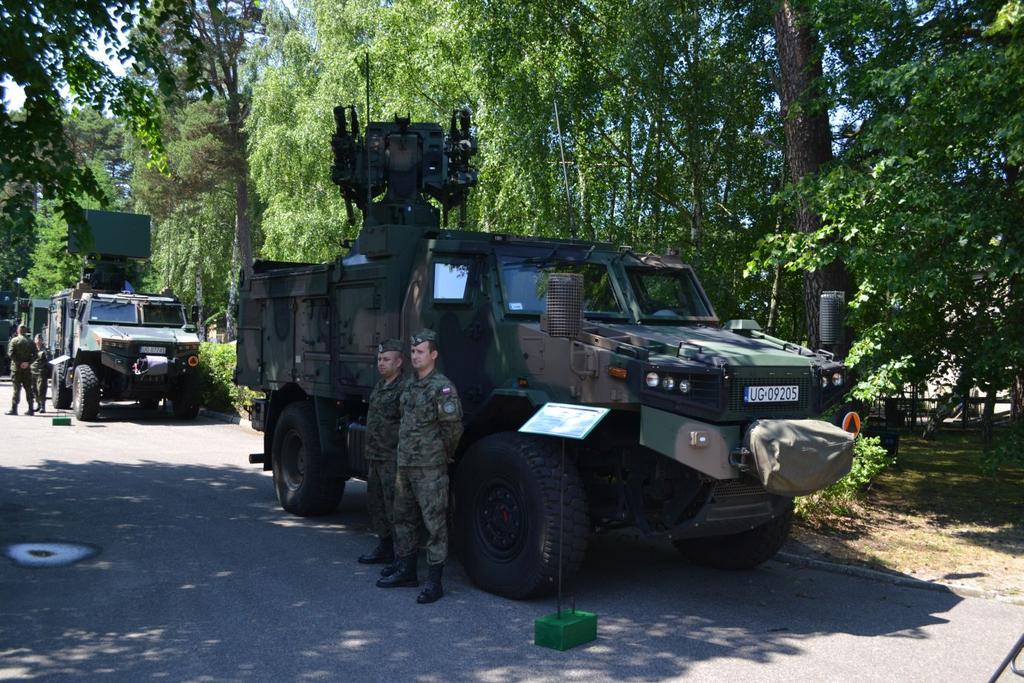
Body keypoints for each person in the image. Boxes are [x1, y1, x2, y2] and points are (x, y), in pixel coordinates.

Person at [376, 329, 463, 604]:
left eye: (420, 351)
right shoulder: (410, 386)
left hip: (430, 467)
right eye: (412, 352)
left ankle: (434, 582)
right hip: (405, 465)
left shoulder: (443, 387)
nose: (415, 356)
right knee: (403, 518)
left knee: (434, 523)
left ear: (433, 355)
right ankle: (406, 570)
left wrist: (440, 455)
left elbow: (453, 430)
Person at [358, 339, 405, 565]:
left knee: (395, 507)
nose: (381, 363)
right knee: (376, 503)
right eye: (379, 359)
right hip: (375, 455)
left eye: (386, 359)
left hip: (393, 457)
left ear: (399, 362)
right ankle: (384, 546)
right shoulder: (380, 385)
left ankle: (401, 555)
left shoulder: (404, 388)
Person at [6, 324, 35, 416]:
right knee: (28, 389)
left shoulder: (14, 340)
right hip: (27, 369)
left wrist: (19, 363)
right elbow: (36, 355)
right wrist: (28, 363)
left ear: (18, 330)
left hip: (16, 369)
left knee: (16, 389)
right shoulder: (30, 342)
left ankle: (14, 409)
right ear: (26, 331)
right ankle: (31, 410)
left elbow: (10, 353)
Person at [31, 334, 51, 413]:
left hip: (41, 372)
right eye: (37, 339)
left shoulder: (45, 350)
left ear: (42, 341)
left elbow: (48, 360)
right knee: (34, 389)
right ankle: (38, 404)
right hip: (32, 371)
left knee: (41, 389)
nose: (38, 341)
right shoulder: (32, 349)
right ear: (34, 340)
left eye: (40, 339)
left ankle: (43, 406)